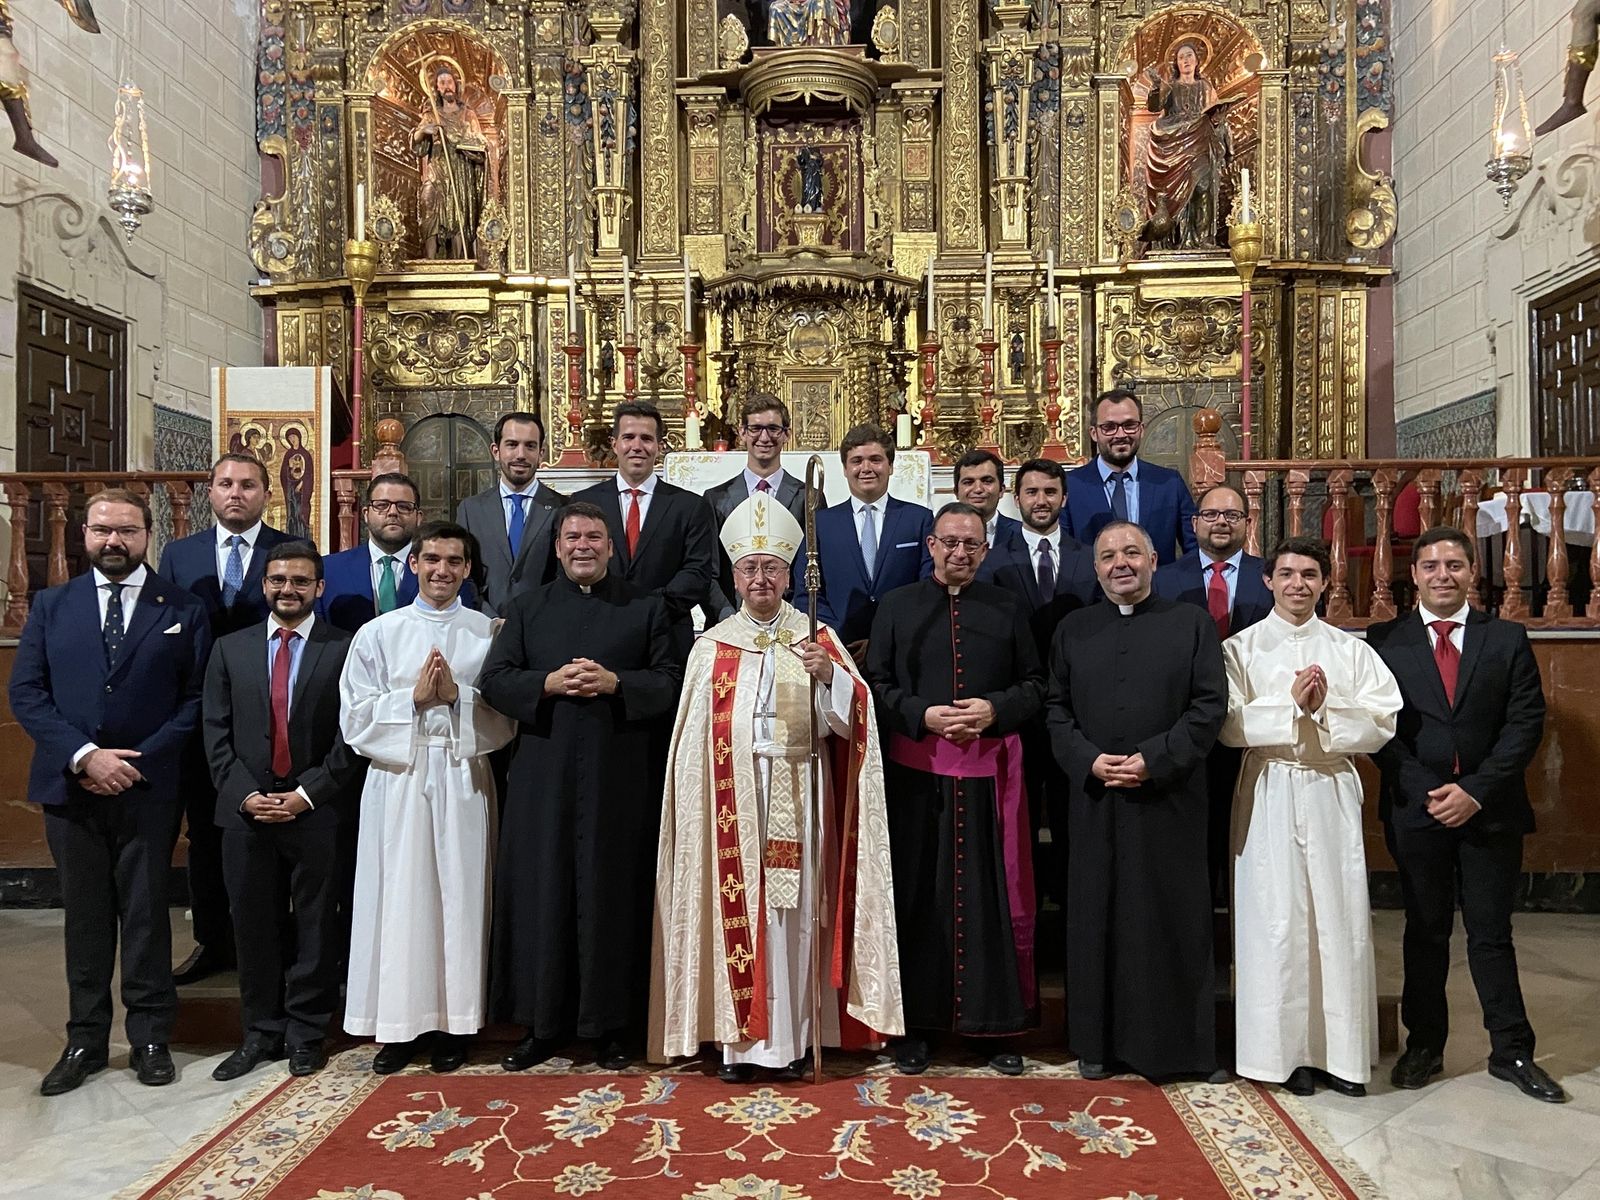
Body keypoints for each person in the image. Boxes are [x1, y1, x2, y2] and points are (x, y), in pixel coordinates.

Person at [651, 493, 901, 1081]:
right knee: (742, 910)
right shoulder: (711, 647)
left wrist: (832, 680)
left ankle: (791, 1043)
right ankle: (742, 1045)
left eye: (771, 568)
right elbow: (689, 749)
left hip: (801, 795)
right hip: (730, 805)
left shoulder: (817, 638)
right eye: (748, 568)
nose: (760, 578)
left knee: (795, 918)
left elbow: (853, 722)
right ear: (733, 575)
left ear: (791, 574)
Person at [10, 489, 210, 1095]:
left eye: (126, 530)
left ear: (149, 535)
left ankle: (151, 1037)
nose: (113, 541)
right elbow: (27, 694)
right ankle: (86, 1039)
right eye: (102, 531)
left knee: (148, 915)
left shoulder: (180, 607)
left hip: (147, 787)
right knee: (87, 917)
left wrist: (133, 761)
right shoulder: (51, 605)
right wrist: (84, 756)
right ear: (85, 535)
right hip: (70, 788)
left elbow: (197, 699)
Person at [1368, 527, 1567, 1103]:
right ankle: (1424, 1046)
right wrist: (1429, 789)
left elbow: (1525, 722)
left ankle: (1512, 1050)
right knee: (1424, 931)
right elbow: (1379, 728)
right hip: (1417, 807)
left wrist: (1474, 791)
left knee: (1490, 934)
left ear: (1472, 572)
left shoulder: (1506, 638)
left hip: (1490, 810)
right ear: (1414, 574)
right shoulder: (1386, 641)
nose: (1442, 575)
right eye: (1430, 565)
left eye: (1454, 564)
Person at [481, 503, 682, 1071]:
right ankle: (541, 1025)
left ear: (611, 547)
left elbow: (673, 682)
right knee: (542, 893)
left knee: (612, 895)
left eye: (595, 537)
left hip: (621, 779)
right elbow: (494, 681)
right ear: (558, 546)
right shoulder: (526, 610)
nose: (583, 546)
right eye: (573, 537)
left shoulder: (646, 609)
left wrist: (618, 682)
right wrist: (544, 683)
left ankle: (610, 1025)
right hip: (543, 779)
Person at [1219, 536, 1402, 1097]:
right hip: (1270, 785)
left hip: (1328, 786)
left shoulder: (1350, 650)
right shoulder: (1239, 649)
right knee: (1274, 922)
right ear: (1267, 581)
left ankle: (1340, 1056)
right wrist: (1289, 707)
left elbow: (1384, 718)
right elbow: (1226, 724)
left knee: (1336, 918)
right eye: (1287, 574)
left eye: (1309, 575)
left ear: (1325, 583)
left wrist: (1325, 710)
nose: (1298, 584)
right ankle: (1282, 1056)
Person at [867, 503, 1044, 1076]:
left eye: (971, 544)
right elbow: (878, 684)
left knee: (992, 900)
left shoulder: (1008, 606)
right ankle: (916, 1028)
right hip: (917, 777)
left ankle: (997, 1027)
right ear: (931, 546)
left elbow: (1036, 684)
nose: (960, 553)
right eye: (949, 543)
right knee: (920, 898)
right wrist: (923, 714)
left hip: (992, 778)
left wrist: (995, 708)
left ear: (985, 550)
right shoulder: (897, 607)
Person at [1047, 520, 1225, 1082]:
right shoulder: (1073, 629)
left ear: (1153, 558)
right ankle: (1096, 1044)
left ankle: (1177, 1048)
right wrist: (1088, 760)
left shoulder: (1190, 624)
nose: (1120, 563)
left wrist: (1154, 758)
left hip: (1168, 798)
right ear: (1095, 568)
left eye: (1131, 552)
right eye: (1107, 556)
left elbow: (1208, 707)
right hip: (1096, 798)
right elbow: (1055, 709)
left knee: (1169, 920)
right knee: (1096, 918)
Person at [338, 521, 516, 1074]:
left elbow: (505, 717)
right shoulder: (379, 633)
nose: (442, 571)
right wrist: (411, 700)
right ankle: (397, 1026)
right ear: (413, 563)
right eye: (432, 559)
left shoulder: (487, 633)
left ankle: (455, 1025)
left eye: (454, 561)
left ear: (467, 569)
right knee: (400, 898)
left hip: (463, 773)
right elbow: (354, 716)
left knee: (461, 898)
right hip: (399, 777)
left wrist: (458, 697)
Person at [202, 541, 366, 1081]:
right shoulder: (230, 649)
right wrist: (245, 793)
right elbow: (215, 733)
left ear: (319, 588)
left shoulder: (345, 649)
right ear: (264, 585)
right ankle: (260, 1031)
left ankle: (305, 1032)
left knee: (317, 926)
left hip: (317, 810)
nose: (288, 589)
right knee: (253, 924)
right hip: (245, 811)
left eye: (300, 581)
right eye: (278, 580)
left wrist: (308, 792)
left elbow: (352, 736)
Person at [159, 453, 293, 985]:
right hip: (201, 718)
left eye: (248, 485)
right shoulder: (180, 553)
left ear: (266, 493)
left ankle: (275, 941)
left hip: (270, 714)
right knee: (208, 833)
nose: (235, 493)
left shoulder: (285, 551)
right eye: (225, 484)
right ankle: (213, 941)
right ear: (209, 493)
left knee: (274, 830)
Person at [984, 458, 1098, 919]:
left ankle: (1075, 907)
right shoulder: (992, 561)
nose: (1041, 501)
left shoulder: (1090, 556)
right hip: (1019, 712)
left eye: (1050, 492)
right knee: (1021, 816)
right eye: (1031, 492)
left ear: (1064, 497)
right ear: (1017, 498)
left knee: (1074, 815)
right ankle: (1022, 912)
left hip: (1077, 710)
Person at [1154, 483, 1273, 908]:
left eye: (1232, 515)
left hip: (1252, 731)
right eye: (1212, 515)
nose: (1221, 522)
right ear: (1195, 523)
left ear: (1247, 522)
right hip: (1185, 727)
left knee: (1249, 835)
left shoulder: (1271, 578)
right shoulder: (1164, 579)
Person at [571, 401, 717, 659]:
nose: (637, 446)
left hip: (667, 638)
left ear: (660, 446)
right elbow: (571, 566)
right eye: (628, 437)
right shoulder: (584, 503)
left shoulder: (690, 506)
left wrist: (648, 609)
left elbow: (697, 573)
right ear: (614, 443)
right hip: (598, 632)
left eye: (647, 438)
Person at [807, 424, 934, 658]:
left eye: (875, 459)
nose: (866, 468)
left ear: (891, 466)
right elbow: (806, 592)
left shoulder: (919, 519)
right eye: (856, 461)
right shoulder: (820, 524)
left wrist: (886, 638)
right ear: (845, 468)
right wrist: (833, 639)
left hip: (904, 650)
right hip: (839, 651)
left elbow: (927, 587)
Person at [703, 394, 819, 620]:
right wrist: (728, 617)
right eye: (755, 428)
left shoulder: (809, 496)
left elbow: (813, 565)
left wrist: (796, 617)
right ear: (742, 433)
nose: (764, 437)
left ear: (787, 434)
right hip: (730, 620)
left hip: (791, 621)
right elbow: (709, 570)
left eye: (773, 429)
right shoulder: (716, 498)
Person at [320, 473, 481, 632]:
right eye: (382, 505)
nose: (392, 512)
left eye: (403, 506)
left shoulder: (446, 572)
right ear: (366, 514)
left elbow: (461, 628)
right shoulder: (329, 570)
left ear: (418, 517)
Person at [1062, 389, 1197, 564]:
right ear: (1094, 433)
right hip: (1091, 590)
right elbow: (1063, 552)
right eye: (1109, 427)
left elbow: (1195, 548)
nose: (1120, 435)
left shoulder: (1169, 483)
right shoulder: (1070, 486)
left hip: (1159, 589)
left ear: (1141, 429)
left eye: (1129, 425)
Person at [455, 412, 565, 614]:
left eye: (530, 446)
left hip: (543, 624)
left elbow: (566, 575)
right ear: (496, 451)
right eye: (512, 444)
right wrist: (489, 617)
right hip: (485, 627)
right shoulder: (471, 510)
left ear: (541, 453)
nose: (521, 454)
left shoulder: (563, 508)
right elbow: (464, 574)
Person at [1138, 40, 1234, 249]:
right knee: (1173, 194)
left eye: (1189, 55)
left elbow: (1216, 116)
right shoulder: (1170, 87)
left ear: (1197, 60)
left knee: (1203, 186)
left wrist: (1218, 121)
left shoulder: (1205, 87)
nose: (1185, 60)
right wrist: (1156, 86)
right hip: (1174, 146)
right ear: (1176, 64)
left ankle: (1201, 239)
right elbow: (1155, 106)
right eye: (1181, 57)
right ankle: (1175, 240)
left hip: (1200, 141)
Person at [413, 62, 497, 259]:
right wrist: (424, 131)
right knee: (429, 204)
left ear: (456, 85)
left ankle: (460, 259)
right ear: (437, 88)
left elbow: (478, 141)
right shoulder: (431, 114)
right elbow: (418, 144)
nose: (446, 86)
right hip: (438, 167)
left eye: (449, 81)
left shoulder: (468, 114)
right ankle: (431, 259)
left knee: (460, 209)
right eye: (442, 83)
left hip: (460, 169)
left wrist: (460, 139)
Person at [955, 449, 1021, 556]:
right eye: (968, 482)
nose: (978, 489)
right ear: (956, 491)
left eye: (987, 481)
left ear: (1001, 490)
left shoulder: (1022, 534)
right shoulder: (939, 535)